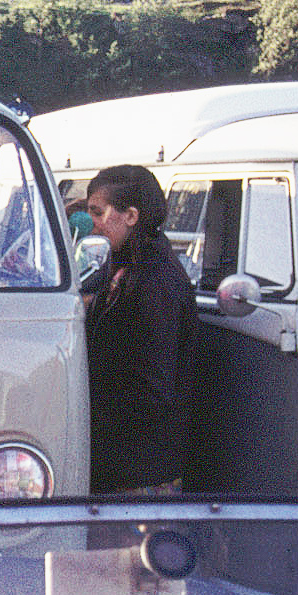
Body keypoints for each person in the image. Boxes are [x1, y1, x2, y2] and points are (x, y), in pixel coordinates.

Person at [83, 163, 196, 493]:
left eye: (98, 213)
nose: (94, 225)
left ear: (130, 216)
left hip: (139, 468)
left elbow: (150, 387)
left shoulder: (154, 281)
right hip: (127, 460)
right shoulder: (131, 267)